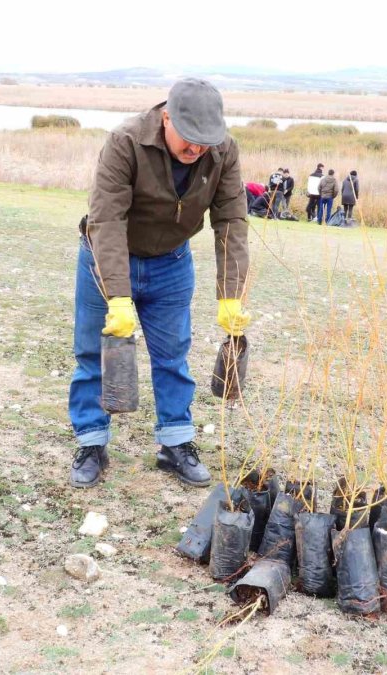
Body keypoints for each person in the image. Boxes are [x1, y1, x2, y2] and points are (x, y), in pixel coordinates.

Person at [69, 78, 251, 489]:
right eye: (189, 139)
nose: (196, 150)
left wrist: (231, 294)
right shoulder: (126, 141)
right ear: (166, 117)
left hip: (171, 262)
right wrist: (117, 295)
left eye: (205, 141)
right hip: (107, 257)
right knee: (94, 354)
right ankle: (92, 443)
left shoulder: (223, 150)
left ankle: (176, 443)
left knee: (173, 356)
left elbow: (231, 220)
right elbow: (107, 220)